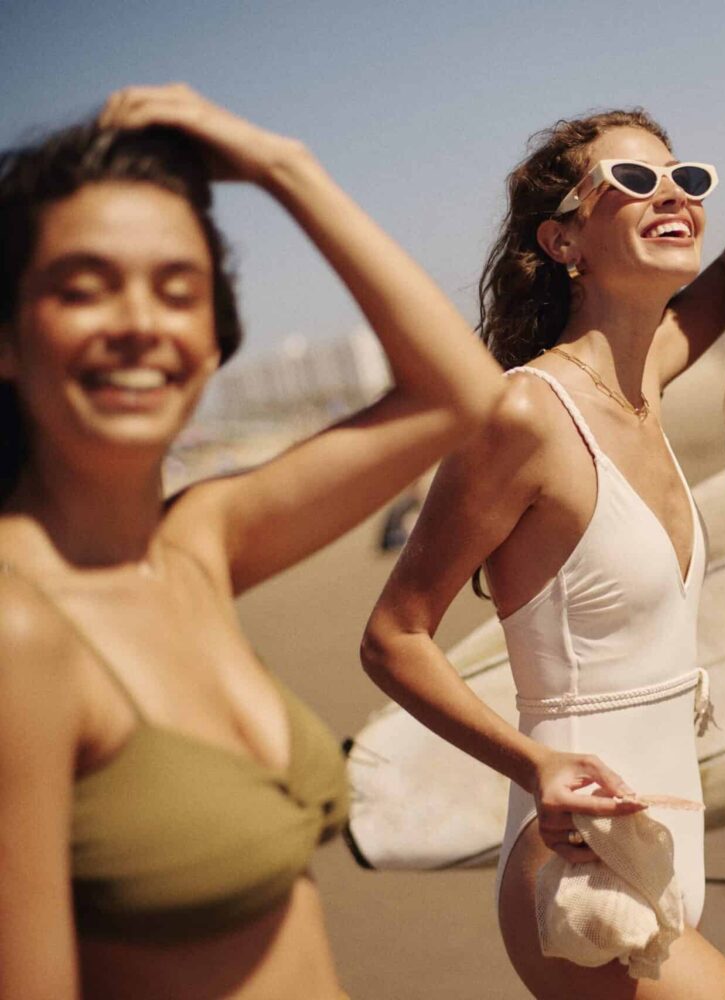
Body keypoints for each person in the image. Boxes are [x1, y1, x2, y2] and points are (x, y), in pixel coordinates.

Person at [0, 86, 503, 999]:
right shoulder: (17, 633)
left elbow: (461, 395)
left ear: (210, 338)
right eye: (83, 287)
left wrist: (283, 166)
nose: (140, 324)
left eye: (177, 290)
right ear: (6, 336)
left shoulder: (196, 546)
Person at [360, 108, 725, 999]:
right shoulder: (526, 416)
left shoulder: (639, 384)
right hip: (576, 866)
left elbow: (721, 285)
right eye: (633, 182)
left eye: (686, 178)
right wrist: (537, 765)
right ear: (563, 240)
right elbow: (394, 637)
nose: (671, 193)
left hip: (664, 842)